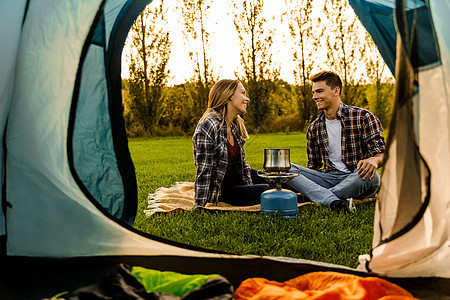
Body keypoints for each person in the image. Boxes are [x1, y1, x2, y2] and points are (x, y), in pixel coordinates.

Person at [287, 71, 385, 212]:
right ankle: (333, 201)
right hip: (329, 177)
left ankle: (316, 198)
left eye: (319, 91)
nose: (315, 97)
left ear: (336, 91)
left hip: (356, 176)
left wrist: (374, 161)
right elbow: (313, 167)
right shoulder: (314, 128)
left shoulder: (363, 117)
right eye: (313, 92)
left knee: (373, 177)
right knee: (285, 167)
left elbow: (383, 154)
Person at [192, 79, 270, 207]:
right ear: (228, 96)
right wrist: (200, 204)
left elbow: (242, 164)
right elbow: (204, 169)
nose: (247, 99)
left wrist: (249, 187)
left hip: (238, 179)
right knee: (266, 191)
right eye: (243, 93)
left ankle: (303, 194)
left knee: (275, 180)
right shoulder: (208, 125)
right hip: (223, 189)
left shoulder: (234, 124)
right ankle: (298, 199)